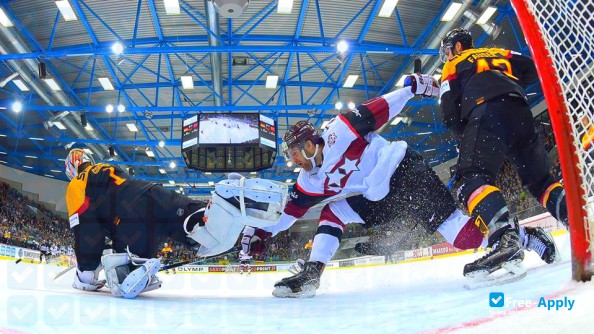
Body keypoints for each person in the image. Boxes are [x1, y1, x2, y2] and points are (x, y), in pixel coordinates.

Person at [240, 76, 557, 297]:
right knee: (333, 212)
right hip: (377, 197)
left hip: (404, 173)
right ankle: (312, 275)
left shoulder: (340, 130)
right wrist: (262, 231)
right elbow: (290, 213)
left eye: (295, 152)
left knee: (466, 239)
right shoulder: (307, 181)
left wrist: (410, 89)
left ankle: (524, 235)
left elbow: (378, 109)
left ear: (310, 144)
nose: (293, 160)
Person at [438, 28, 564, 279]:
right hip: (520, 111)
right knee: (542, 182)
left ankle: (505, 242)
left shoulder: (453, 64)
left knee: (470, 178)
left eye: (448, 50)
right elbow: (530, 68)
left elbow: (450, 112)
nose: (447, 55)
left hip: (486, 112)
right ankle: (580, 224)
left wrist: (466, 139)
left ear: (458, 47)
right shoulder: (499, 52)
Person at [64, 148, 235, 298]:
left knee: (125, 275)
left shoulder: (77, 183)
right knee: (196, 221)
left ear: (72, 168)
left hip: (131, 218)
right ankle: (236, 212)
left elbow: (86, 228)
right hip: (152, 193)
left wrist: (85, 271)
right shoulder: (109, 169)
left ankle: (134, 266)